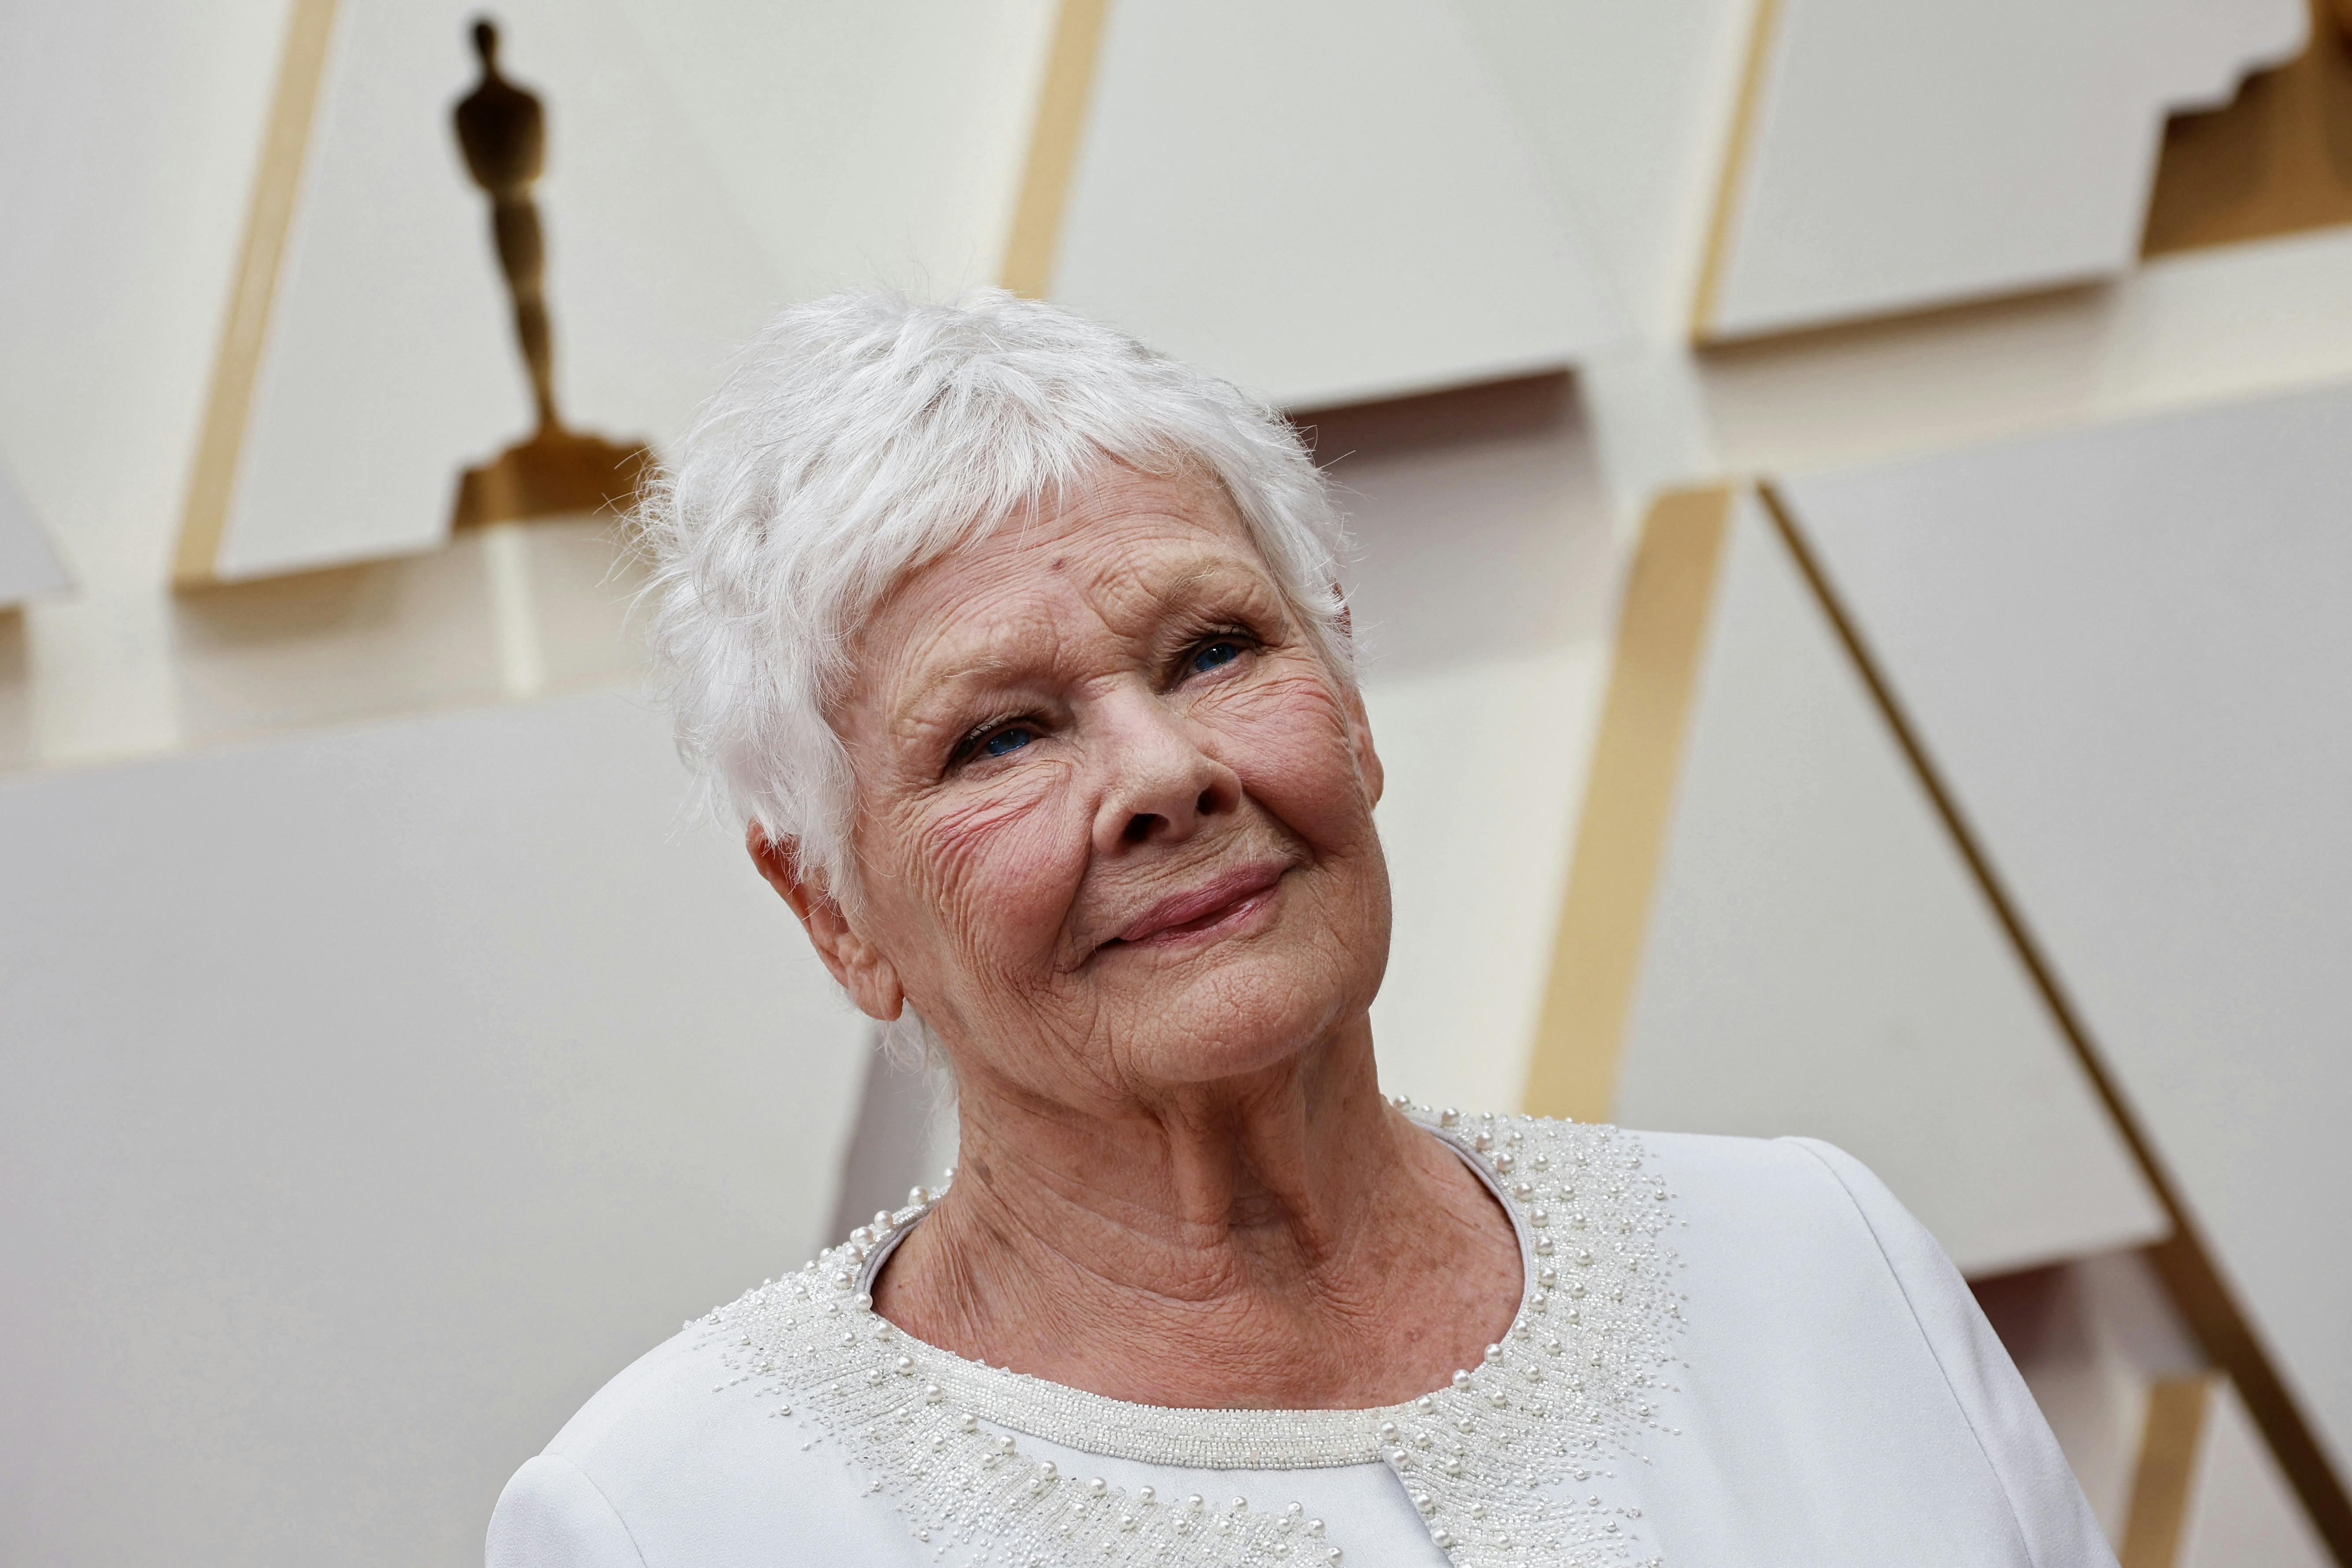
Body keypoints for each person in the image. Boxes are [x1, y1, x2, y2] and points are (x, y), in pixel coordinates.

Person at [486, 292, 2112, 1568]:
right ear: (835, 910)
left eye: (1211, 651)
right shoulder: (679, 1521)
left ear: (1347, 701)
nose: (1164, 775)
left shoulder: (1818, 1259)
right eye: (1001, 737)